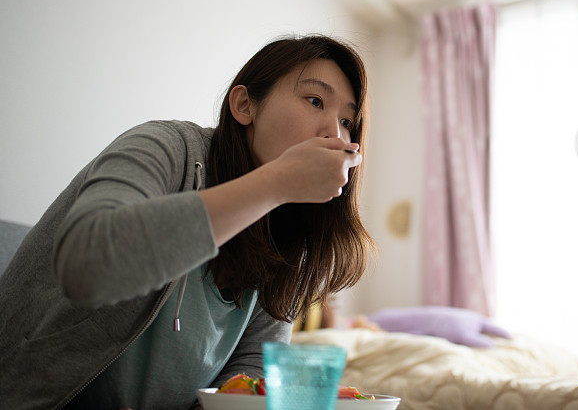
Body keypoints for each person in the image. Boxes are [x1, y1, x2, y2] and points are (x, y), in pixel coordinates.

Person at [0, 35, 373, 409]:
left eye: (347, 121)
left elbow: (251, 369)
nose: (335, 134)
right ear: (245, 105)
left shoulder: (284, 232)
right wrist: (277, 182)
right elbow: (86, 263)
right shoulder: (165, 147)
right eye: (314, 101)